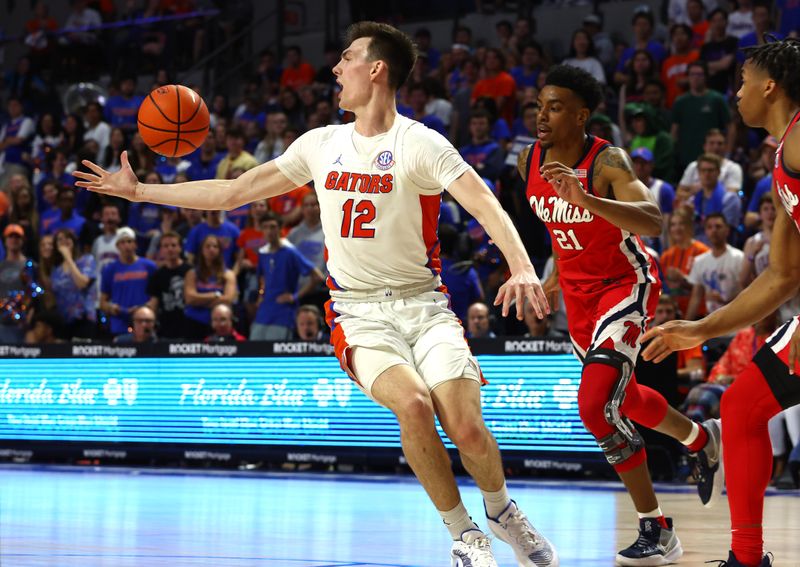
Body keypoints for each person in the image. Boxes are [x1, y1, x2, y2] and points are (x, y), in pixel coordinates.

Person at [74, 21, 558, 567]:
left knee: (467, 427)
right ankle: (463, 533)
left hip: (425, 306)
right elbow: (234, 192)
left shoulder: (420, 143)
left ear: (376, 69)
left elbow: (484, 203)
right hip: (359, 311)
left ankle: (500, 511)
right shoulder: (321, 144)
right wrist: (140, 192)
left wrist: (521, 266)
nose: (335, 68)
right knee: (415, 406)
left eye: (346, 58)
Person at [518, 64, 721, 565]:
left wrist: (586, 197)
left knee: (595, 406)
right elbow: (564, 238)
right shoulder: (529, 159)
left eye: (556, 107)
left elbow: (652, 220)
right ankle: (700, 437)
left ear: (581, 115)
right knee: (624, 398)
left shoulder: (607, 160)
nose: (542, 115)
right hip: (578, 296)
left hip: (625, 286)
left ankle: (657, 528)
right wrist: (542, 282)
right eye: (540, 105)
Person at [642, 37, 800, 567]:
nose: (736, 94)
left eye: (743, 82)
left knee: (743, 407)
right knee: (741, 406)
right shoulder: (783, 160)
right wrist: (703, 328)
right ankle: (747, 558)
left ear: (770, 86)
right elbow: (781, 276)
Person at [251, 212, 324, 340]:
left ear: (280, 228)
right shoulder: (263, 253)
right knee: (253, 353)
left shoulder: (290, 252)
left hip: (284, 314)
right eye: (265, 227)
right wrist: (261, 295)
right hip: (264, 311)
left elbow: (317, 276)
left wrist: (294, 296)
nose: (269, 231)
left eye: (273, 227)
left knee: (277, 356)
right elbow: (262, 277)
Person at [100, 227, 156, 337]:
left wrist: (143, 309)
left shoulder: (149, 266)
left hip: (144, 325)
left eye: (129, 241)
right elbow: (102, 302)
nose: (126, 245)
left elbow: (155, 297)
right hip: (119, 325)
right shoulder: (109, 269)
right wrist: (113, 308)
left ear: (135, 244)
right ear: (117, 246)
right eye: (122, 242)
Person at [184, 234, 237, 340]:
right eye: (207, 246)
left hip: (220, 324)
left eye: (215, 246)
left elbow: (228, 299)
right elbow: (189, 299)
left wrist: (200, 300)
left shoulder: (228, 274)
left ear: (220, 251)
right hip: (195, 321)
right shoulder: (192, 274)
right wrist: (215, 295)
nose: (211, 249)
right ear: (202, 250)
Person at [146, 231, 191, 339]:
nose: (170, 249)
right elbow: (154, 303)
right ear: (161, 250)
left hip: (190, 328)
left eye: (173, 245)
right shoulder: (157, 275)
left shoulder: (190, 271)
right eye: (165, 246)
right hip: (166, 330)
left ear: (180, 248)